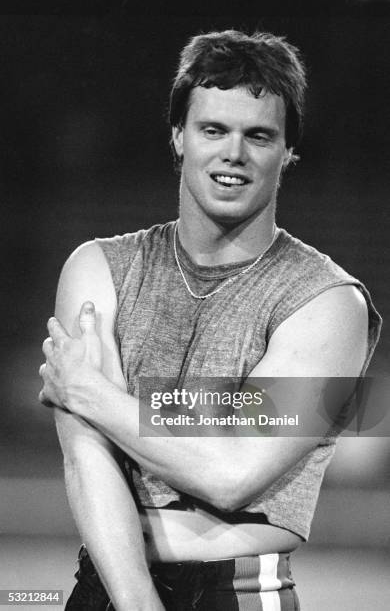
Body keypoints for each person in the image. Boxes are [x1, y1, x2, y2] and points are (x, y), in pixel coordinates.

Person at [39, 30, 381, 610]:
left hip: (243, 591)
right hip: (106, 586)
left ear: (288, 150)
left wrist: (92, 395)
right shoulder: (98, 268)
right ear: (178, 136)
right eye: (213, 130)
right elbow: (86, 455)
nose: (234, 154)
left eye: (259, 136)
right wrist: (138, 600)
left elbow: (233, 475)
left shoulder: (329, 303)